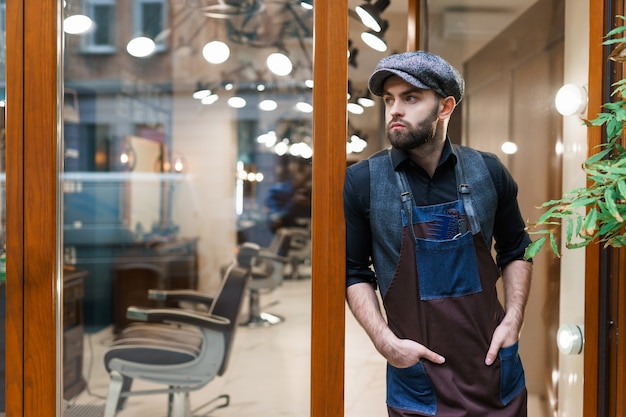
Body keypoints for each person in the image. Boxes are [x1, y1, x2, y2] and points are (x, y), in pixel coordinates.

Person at [343, 51, 533, 417]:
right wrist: (386, 344)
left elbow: (517, 250)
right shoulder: (363, 182)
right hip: (418, 383)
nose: (395, 109)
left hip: (494, 372)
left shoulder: (488, 172)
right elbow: (354, 274)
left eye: (410, 98)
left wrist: (513, 320)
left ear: (445, 107)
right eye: (389, 100)